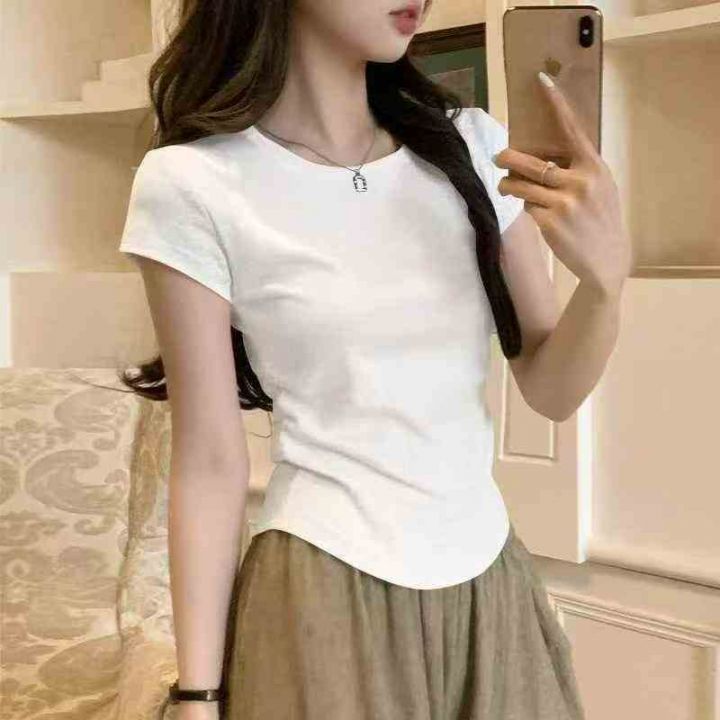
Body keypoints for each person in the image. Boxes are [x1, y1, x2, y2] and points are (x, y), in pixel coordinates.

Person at [118, 1, 631, 718]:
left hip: (489, 585)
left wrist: (605, 285)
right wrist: (197, 696)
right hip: (320, 592)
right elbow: (209, 459)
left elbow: (551, 389)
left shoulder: (471, 148)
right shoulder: (193, 183)